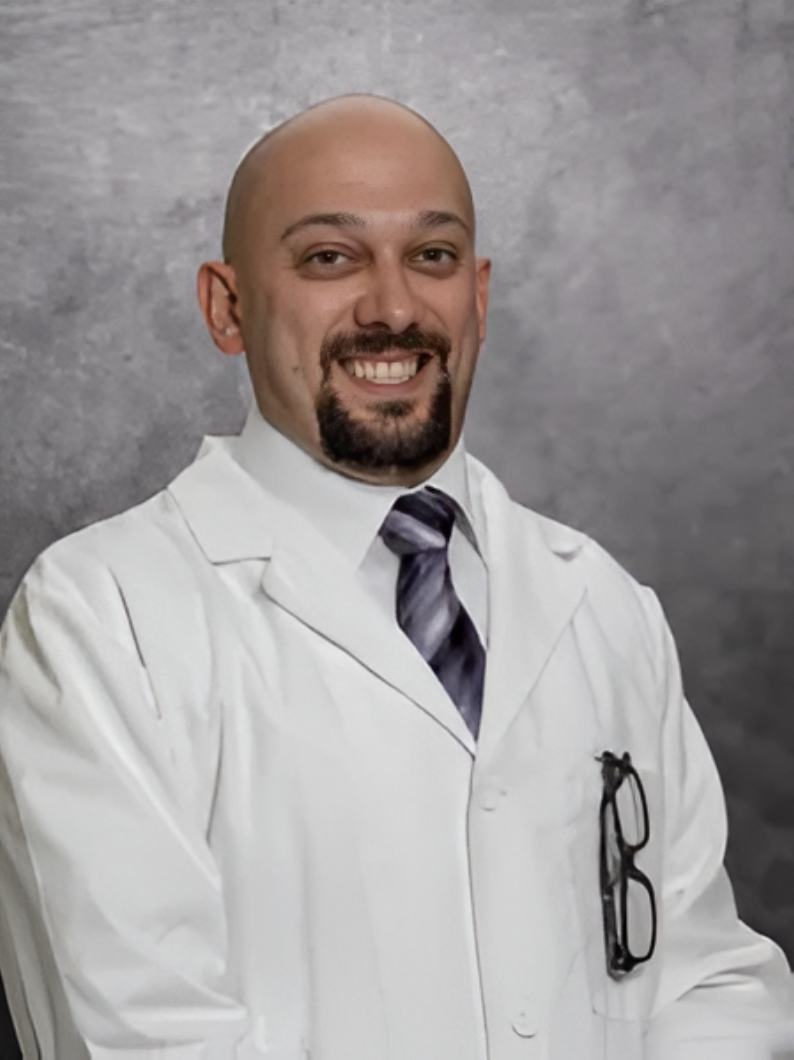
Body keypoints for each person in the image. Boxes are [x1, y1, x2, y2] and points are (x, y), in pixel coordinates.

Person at [0, 94, 789, 1060]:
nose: (394, 308)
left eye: (433, 255)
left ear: (479, 296)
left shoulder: (604, 603)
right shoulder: (98, 618)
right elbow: (140, 1037)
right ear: (227, 307)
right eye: (330, 258)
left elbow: (708, 978)